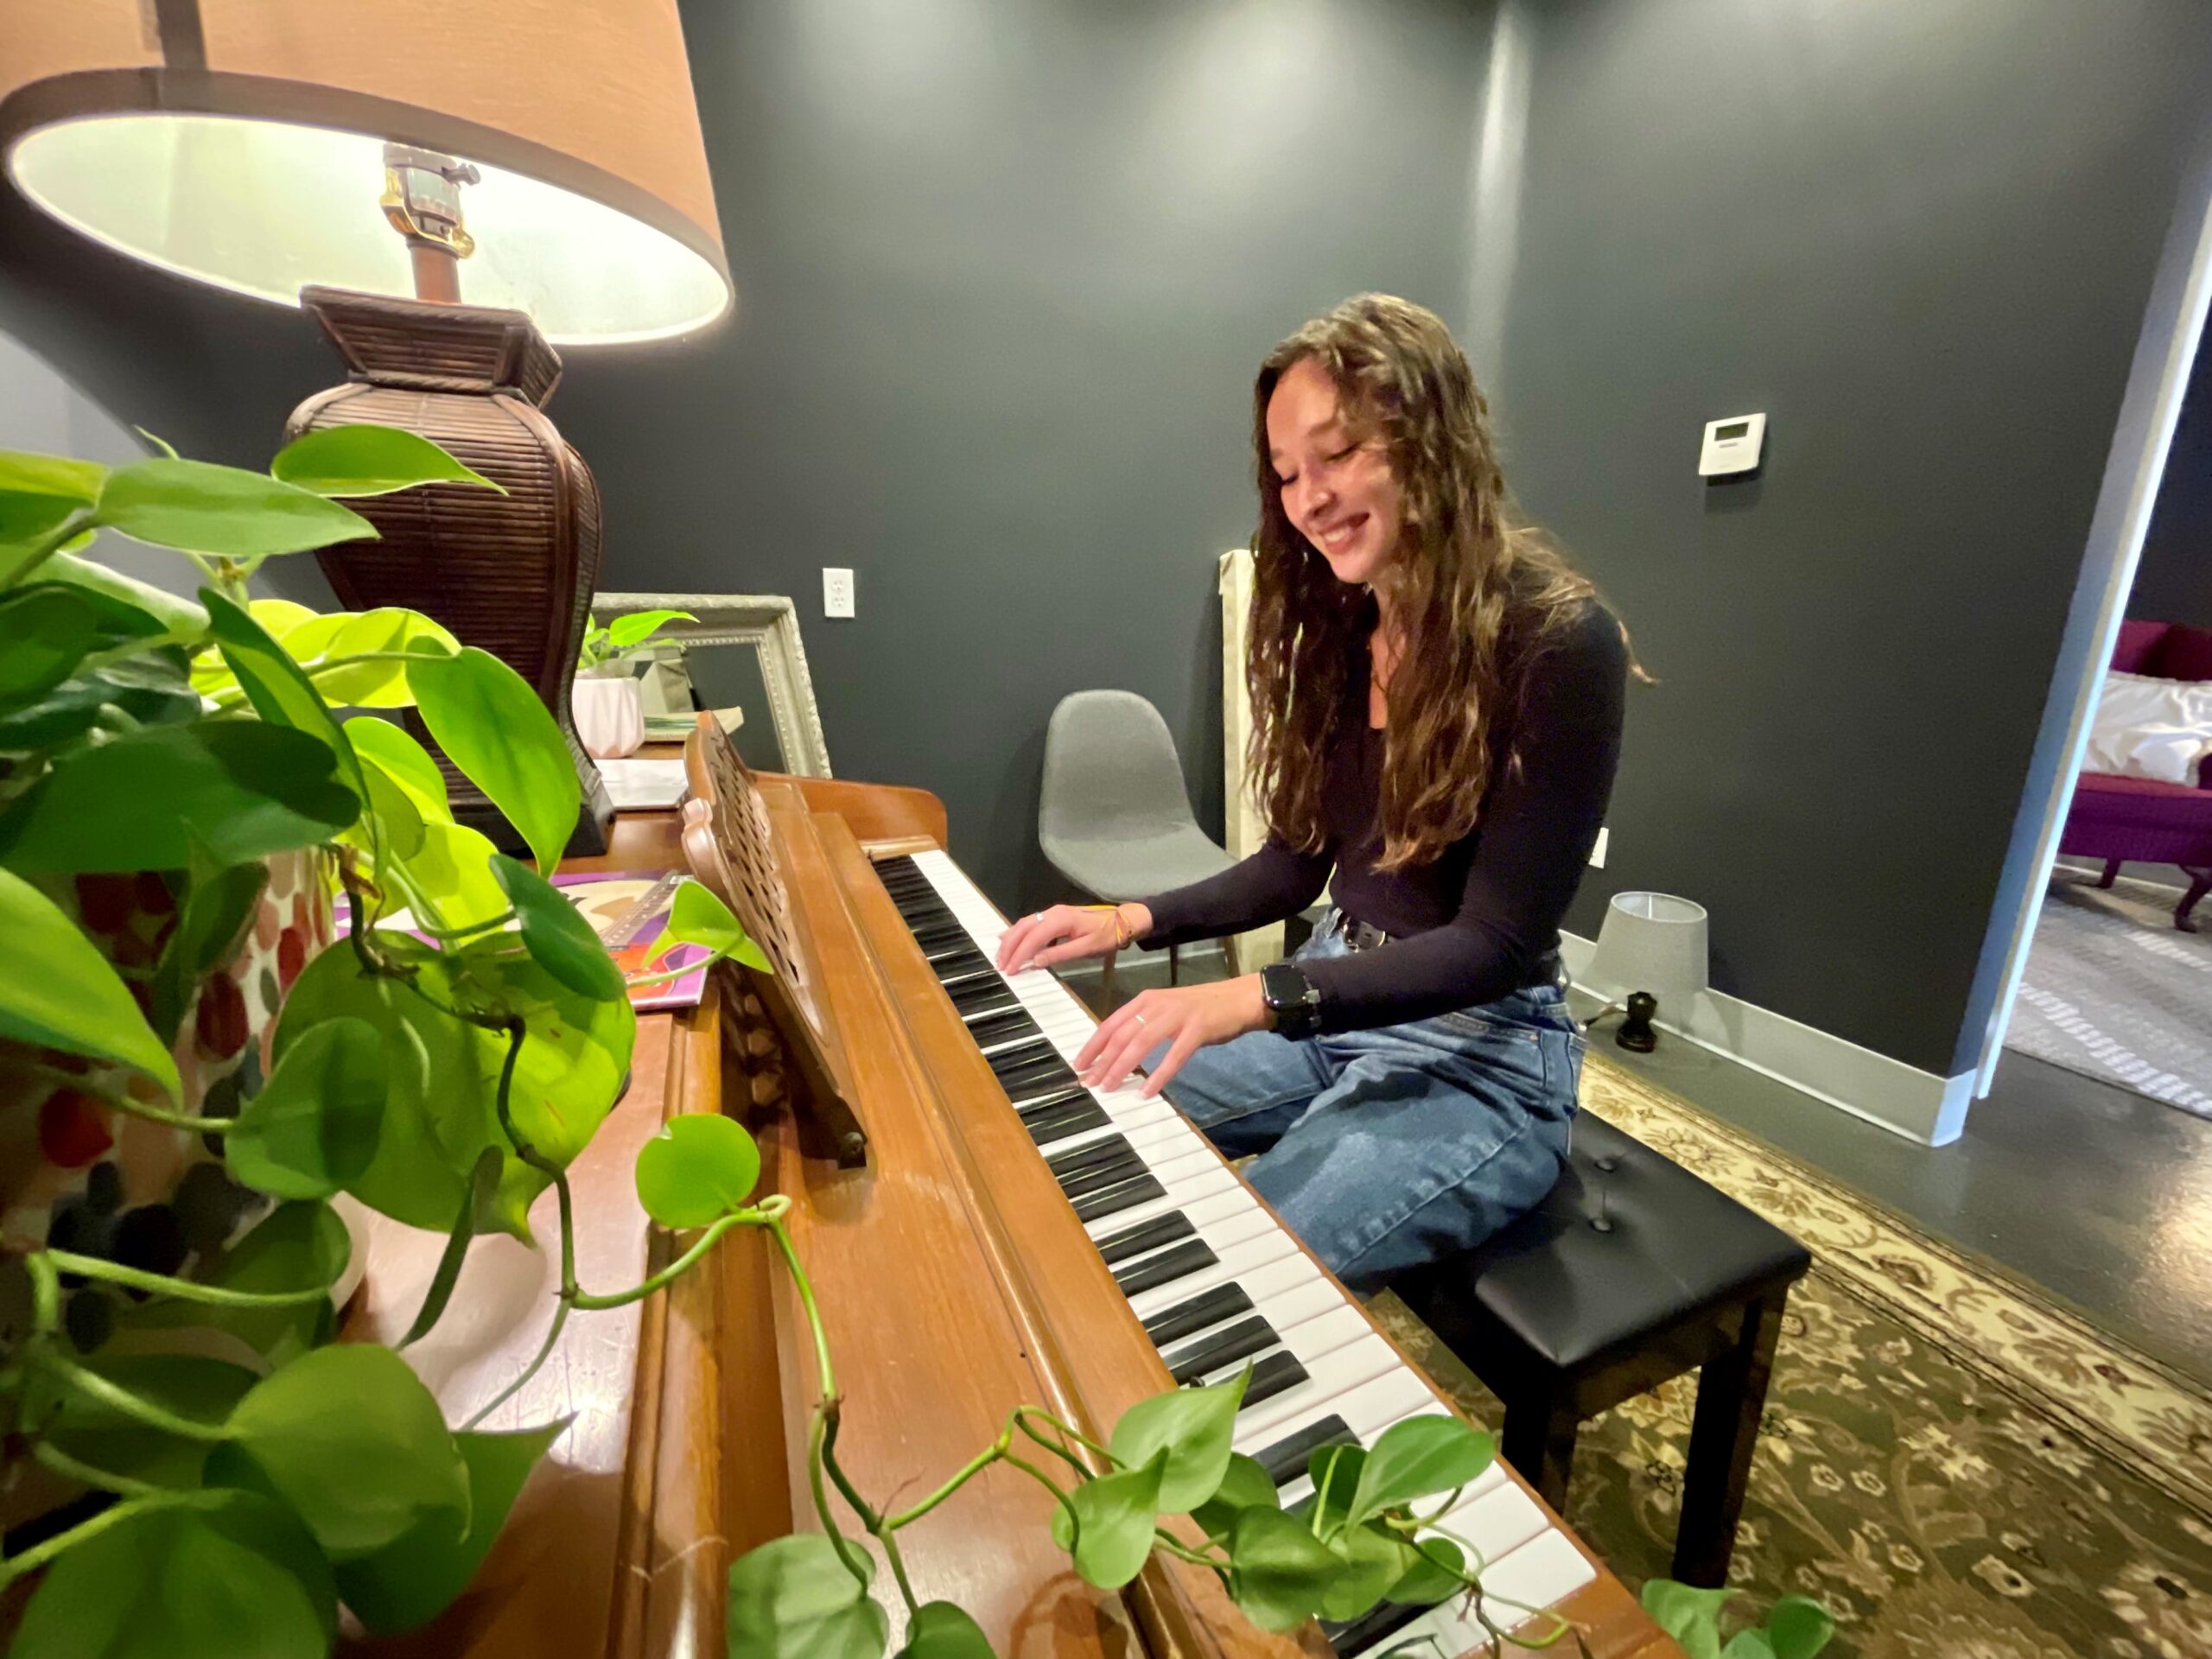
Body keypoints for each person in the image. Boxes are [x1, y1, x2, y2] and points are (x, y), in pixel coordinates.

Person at [995, 293, 1630, 1294]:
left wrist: (1254, 997)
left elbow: (1494, 944)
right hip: (1339, 995)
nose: (1309, 496)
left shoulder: (1557, 639)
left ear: (1431, 437)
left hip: (1483, 1055)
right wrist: (1126, 919)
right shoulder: (1343, 631)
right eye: (1288, 473)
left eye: (1337, 455)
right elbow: (1294, 868)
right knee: (1069, 1125)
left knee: (1215, 1278)